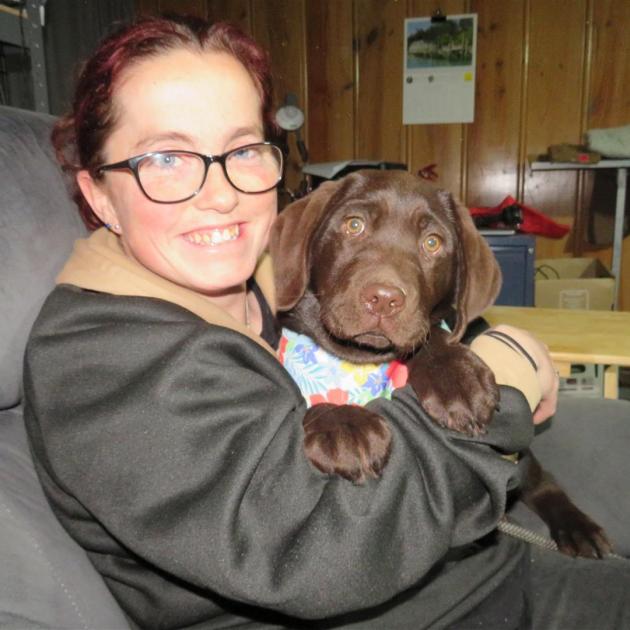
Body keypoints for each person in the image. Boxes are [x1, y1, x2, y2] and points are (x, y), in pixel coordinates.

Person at [22, 14, 630, 630]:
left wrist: (468, 352)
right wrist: (507, 378)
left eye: (241, 150)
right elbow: (325, 553)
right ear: (99, 195)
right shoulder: (99, 359)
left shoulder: (271, 281)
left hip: (481, 560)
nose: (219, 193)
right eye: (168, 158)